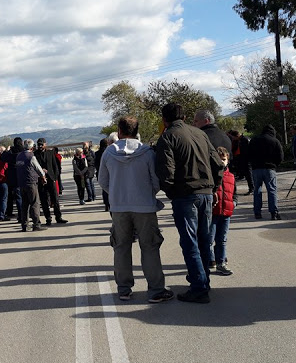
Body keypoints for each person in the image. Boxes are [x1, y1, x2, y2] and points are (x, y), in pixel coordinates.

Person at [98, 117, 173, 303]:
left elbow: (102, 181)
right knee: (149, 247)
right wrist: (146, 193)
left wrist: (116, 193)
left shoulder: (109, 153)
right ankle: (155, 290)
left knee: (121, 247)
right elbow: (156, 181)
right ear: (136, 129)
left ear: (119, 130)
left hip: (119, 207)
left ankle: (124, 289)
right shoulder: (147, 152)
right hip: (145, 206)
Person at [155, 103, 224, 304]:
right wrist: (215, 187)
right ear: (184, 117)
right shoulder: (200, 134)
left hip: (186, 195)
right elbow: (218, 164)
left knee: (190, 242)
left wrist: (172, 193)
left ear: (164, 120)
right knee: (203, 240)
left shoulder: (168, 137)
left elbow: (165, 172)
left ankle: (199, 287)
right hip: (206, 193)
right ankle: (203, 281)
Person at [209, 147, 237, 276]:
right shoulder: (211, 176)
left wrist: (234, 203)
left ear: (228, 160)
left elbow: (235, 193)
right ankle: (210, 260)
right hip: (212, 213)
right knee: (209, 239)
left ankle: (221, 263)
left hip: (226, 213)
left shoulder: (231, 176)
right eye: (219, 159)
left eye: (224, 159)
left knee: (222, 239)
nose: (222, 162)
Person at [248, 125, 284, 220]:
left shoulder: (254, 140)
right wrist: (275, 165)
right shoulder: (275, 141)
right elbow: (280, 156)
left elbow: (248, 154)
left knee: (257, 190)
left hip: (256, 169)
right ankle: (274, 213)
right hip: (270, 168)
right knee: (272, 190)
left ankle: (257, 213)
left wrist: (252, 164)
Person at [34, 138, 68, 226]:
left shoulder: (50, 153)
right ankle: (48, 218)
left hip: (51, 178)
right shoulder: (34, 155)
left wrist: (55, 177)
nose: (40, 146)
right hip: (41, 180)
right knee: (44, 200)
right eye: (39, 145)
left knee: (55, 199)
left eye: (42, 144)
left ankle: (58, 217)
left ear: (45, 144)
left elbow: (55, 166)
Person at [16, 139, 47, 232]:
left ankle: (24, 225)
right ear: (32, 147)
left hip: (21, 183)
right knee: (34, 203)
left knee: (24, 205)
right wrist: (43, 176)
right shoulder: (31, 156)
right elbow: (39, 169)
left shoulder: (18, 156)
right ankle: (36, 224)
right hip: (31, 182)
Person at [1, 138, 24, 222]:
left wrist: (6, 150)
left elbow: (2, 158)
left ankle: (18, 214)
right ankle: (23, 215)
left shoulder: (11, 152)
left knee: (16, 197)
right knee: (22, 197)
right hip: (23, 175)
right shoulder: (23, 151)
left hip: (12, 177)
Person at [227, 130, 253, 194]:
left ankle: (252, 188)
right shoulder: (240, 140)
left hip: (247, 160)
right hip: (243, 160)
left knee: (249, 175)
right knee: (248, 175)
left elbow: (246, 151)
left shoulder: (245, 140)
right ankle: (251, 188)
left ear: (236, 136)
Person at [94, 138, 109, 211]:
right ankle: (110, 203)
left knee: (104, 188)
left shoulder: (97, 153)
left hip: (100, 172)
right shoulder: (109, 152)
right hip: (109, 172)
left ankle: (106, 204)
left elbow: (96, 164)